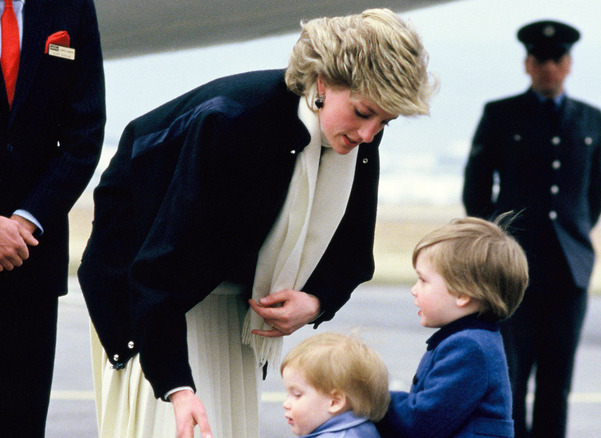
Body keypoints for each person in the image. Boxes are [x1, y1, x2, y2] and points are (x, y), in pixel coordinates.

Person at [77, 8, 434, 438]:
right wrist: (176, 387)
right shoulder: (233, 124)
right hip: (143, 305)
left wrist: (316, 301)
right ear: (322, 83)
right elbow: (158, 267)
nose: (369, 135)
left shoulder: (357, 136)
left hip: (230, 306)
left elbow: (354, 251)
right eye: (363, 112)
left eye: (385, 122)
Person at [462, 19, 601, 438]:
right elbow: (476, 186)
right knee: (511, 376)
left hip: (569, 272)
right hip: (513, 271)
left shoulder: (591, 120)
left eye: (557, 59)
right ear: (527, 64)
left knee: (556, 383)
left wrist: (575, 233)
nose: (549, 68)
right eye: (540, 59)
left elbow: (595, 191)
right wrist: (494, 239)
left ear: (569, 64)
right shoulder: (501, 114)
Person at [0, 0, 105, 436]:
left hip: (29, 258)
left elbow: (84, 134)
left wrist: (26, 220)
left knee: (21, 423)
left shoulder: (71, 7)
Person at [376, 216, 529, 438]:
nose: (414, 290)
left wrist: (368, 398)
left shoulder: (469, 347)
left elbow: (420, 422)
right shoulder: (473, 338)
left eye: (423, 280)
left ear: (462, 293)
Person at [280, 332, 390, 437]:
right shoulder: (362, 428)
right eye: (288, 395)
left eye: (297, 395)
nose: (286, 404)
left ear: (335, 402)